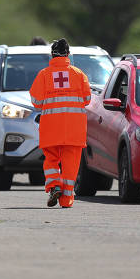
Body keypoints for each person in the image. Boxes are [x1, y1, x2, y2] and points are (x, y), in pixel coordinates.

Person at [29, 38, 91, 208]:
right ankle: (66, 200)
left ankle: (54, 185)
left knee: (51, 160)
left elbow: (36, 101)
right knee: (70, 167)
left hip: (51, 128)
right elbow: (87, 99)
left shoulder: (43, 74)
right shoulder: (79, 74)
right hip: (74, 130)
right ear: (68, 54)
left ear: (52, 55)